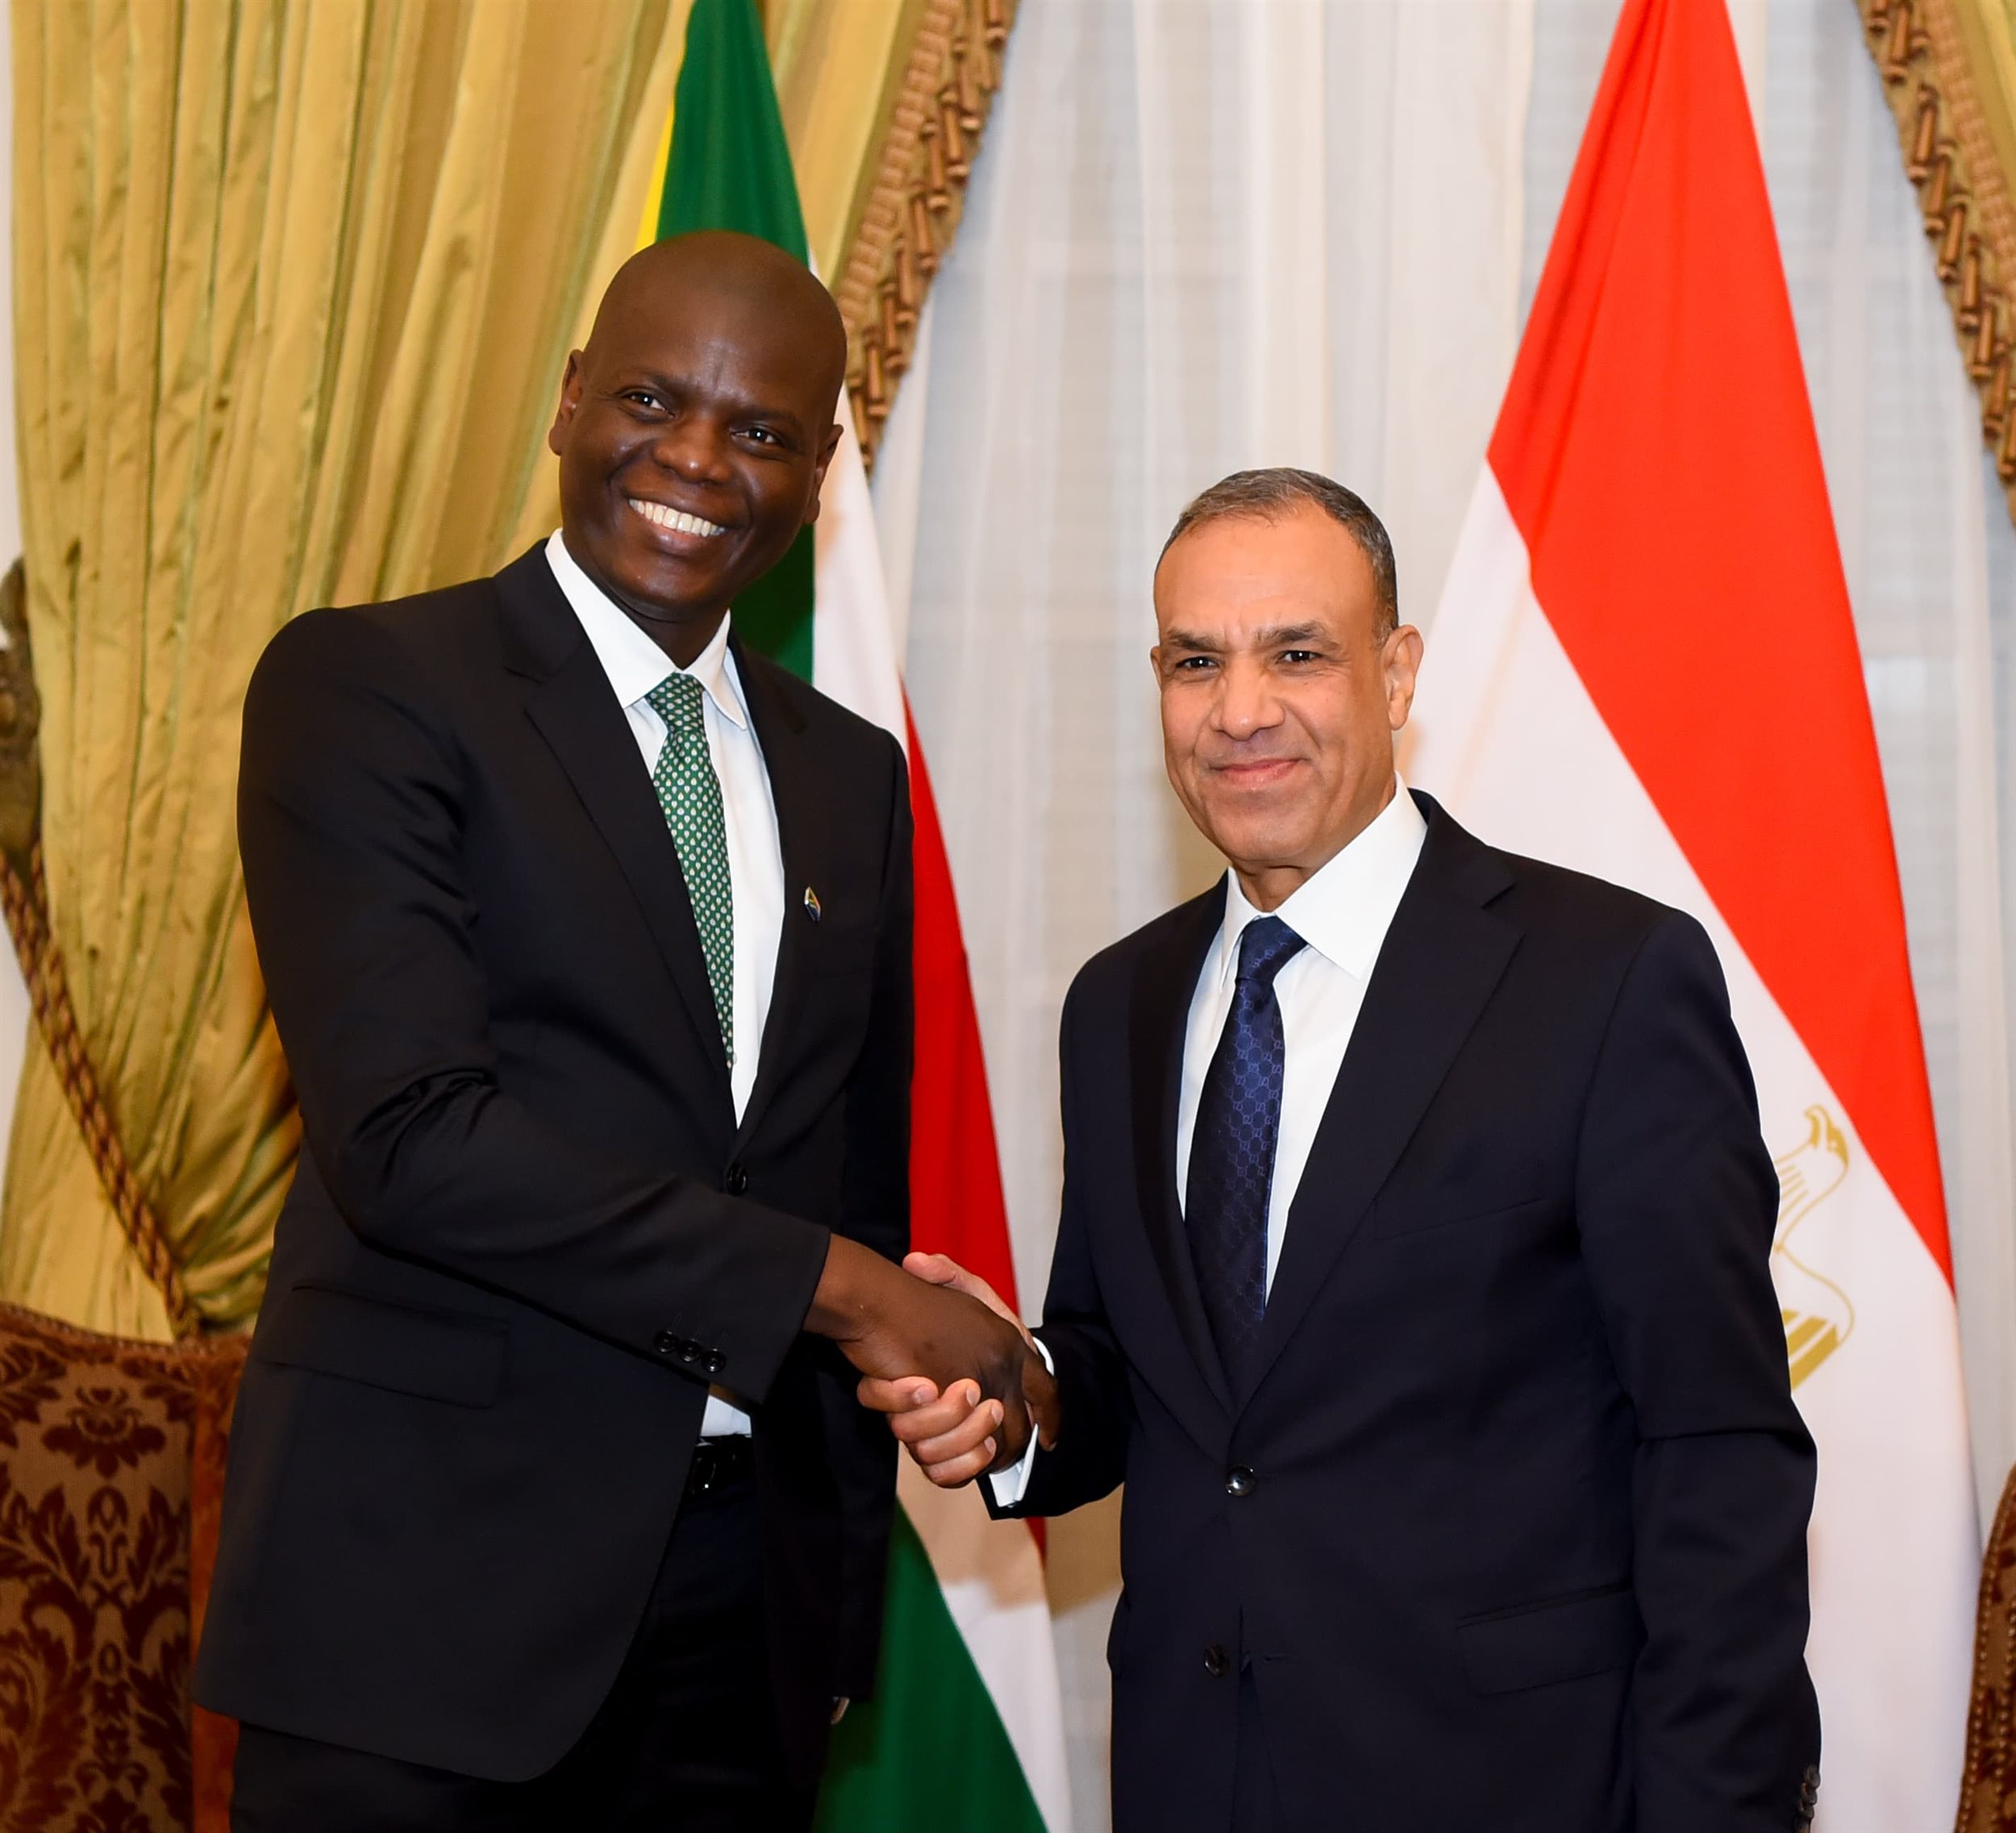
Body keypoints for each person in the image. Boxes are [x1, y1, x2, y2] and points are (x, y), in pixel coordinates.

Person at [195, 230, 1034, 1833]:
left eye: (762, 430)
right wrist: (848, 1294)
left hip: (743, 1628)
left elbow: (842, 1179)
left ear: (818, 475)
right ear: (571, 400)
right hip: (422, 1609)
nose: (697, 459)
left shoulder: (848, 775)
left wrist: (827, 1613)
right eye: (652, 400)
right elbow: (411, 1142)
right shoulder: (372, 687)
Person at [864, 469, 1822, 1833]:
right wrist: (1013, 1389)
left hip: (1511, 1791)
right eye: (1197, 661)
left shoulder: (1607, 981)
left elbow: (1717, 1451)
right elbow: (1148, 1384)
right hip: (1193, 1781)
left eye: (1298, 653)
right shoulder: (1117, 1003)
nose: (1241, 709)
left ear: (1397, 670)